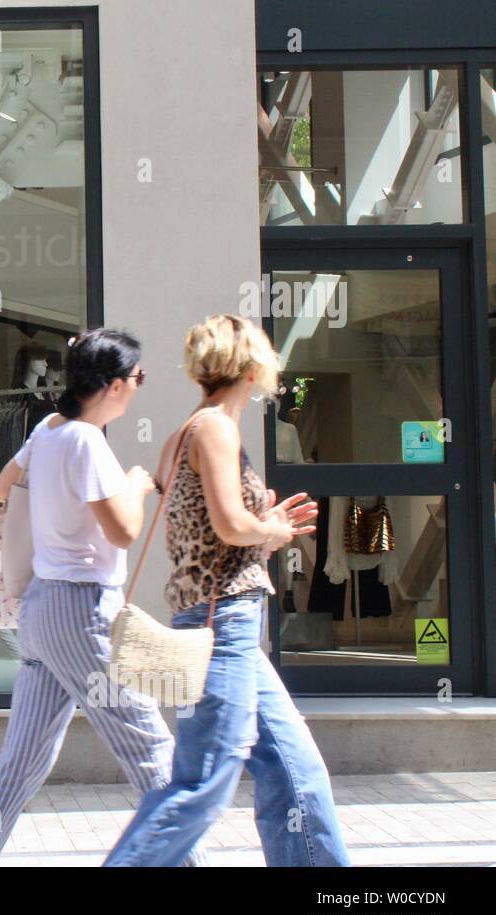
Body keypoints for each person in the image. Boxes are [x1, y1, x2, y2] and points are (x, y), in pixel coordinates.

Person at [104, 315, 350, 867]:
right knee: (203, 784)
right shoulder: (215, 428)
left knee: (295, 770)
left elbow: (210, 536)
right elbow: (229, 526)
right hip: (225, 626)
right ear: (252, 364)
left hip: (220, 620)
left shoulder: (185, 432)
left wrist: (263, 522)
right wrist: (273, 529)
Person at [0, 329, 206, 867]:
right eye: (138, 378)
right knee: (150, 748)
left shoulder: (48, 431)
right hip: (83, 611)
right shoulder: (87, 441)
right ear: (114, 384)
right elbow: (123, 532)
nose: (139, 387)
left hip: (41, 610)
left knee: (22, 761)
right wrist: (136, 484)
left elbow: (0, 489)